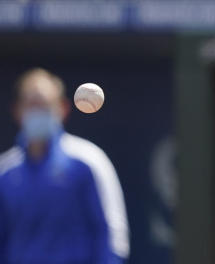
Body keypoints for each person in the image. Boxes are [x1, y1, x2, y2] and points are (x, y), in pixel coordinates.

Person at [0, 68, 129, 263]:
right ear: (17, 111)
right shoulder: (5, 171)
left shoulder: (88, 161)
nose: (37, 112)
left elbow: (112, 234)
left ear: (62, 108)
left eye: (44, 105)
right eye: (31, 105)